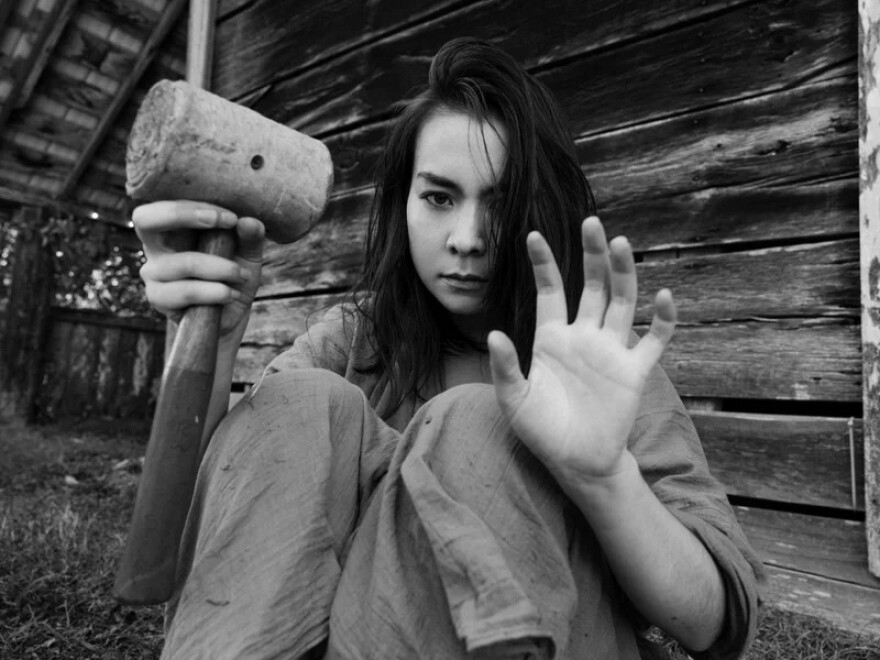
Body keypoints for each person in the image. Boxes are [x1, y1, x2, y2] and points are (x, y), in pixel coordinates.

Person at [134, 38, 763, 660]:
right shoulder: (356, 337)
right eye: (439, 197)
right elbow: (226, 509)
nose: (467, 239)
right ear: (402, 203)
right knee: (296, 402)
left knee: (478, 420)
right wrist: (214, 340)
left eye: (502, 202)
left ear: (541, 208)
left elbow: (713, 621)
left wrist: (602, 478)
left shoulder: (596, 363)